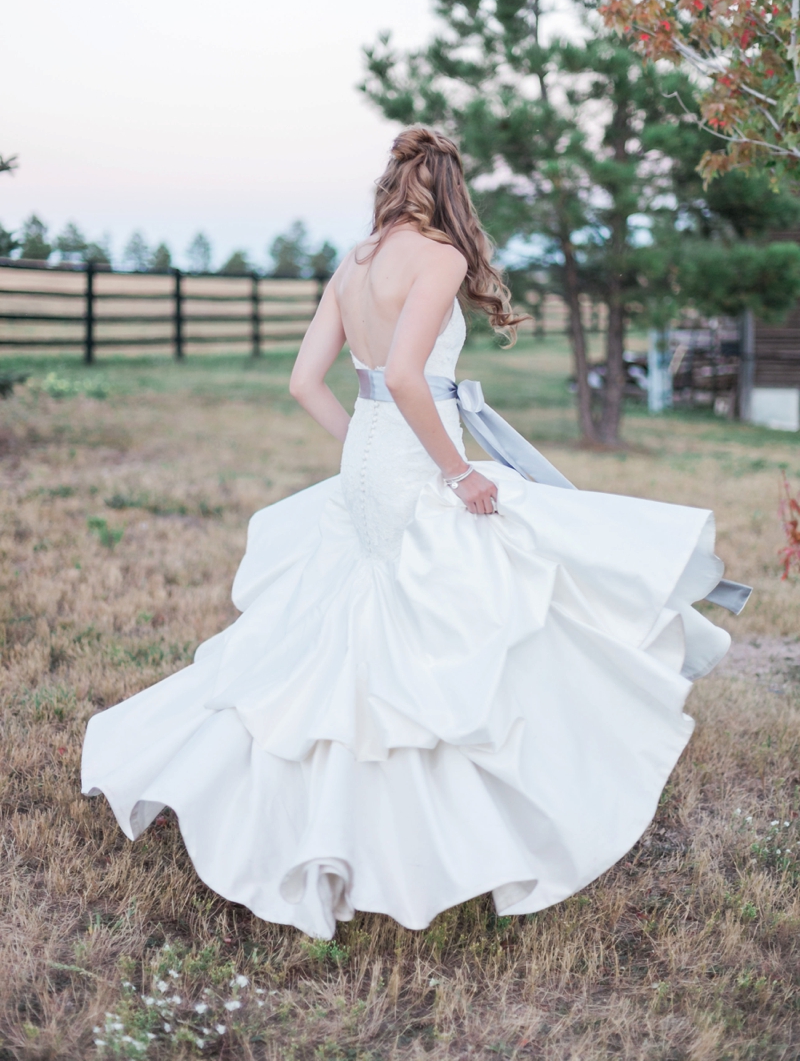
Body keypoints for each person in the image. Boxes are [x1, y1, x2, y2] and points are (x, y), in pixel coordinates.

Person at [82, 125, 749, 940]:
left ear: (394, 184)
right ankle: (487, 811)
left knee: (366, 632)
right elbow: (404, 376)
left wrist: (365, 450)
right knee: (474, 616)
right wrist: (456, 472)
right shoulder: (441, 258)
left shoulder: (355, 261)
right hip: (415, 457)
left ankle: (359, 822)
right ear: (448, 190)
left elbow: (304, 383)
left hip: (369, 457)